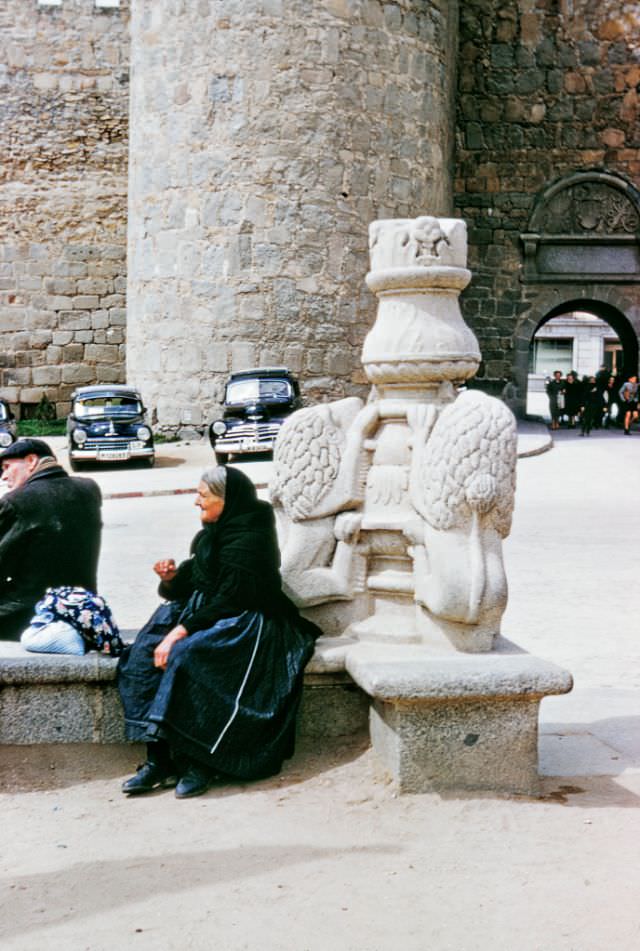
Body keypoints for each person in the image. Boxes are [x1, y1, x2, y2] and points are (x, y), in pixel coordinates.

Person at [117, 465, 320, 799]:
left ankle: (200, 760)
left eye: (203, 496)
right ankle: (158, 759)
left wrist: (180, 632)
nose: (197, 502)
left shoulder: (250, 537)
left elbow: (233, 596)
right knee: (140, 654)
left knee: (191, 657)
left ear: (228, 500)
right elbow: (193, 579)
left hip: (248, 621)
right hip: (208, 613)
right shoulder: (211, 535)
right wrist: (169, 578)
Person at [0, 438, 102, 640]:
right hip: (83, 607)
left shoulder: (16, 502)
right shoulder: (89, 489)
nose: (4, 476)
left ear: (31, 461)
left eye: (6, 467)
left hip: (29, 612)